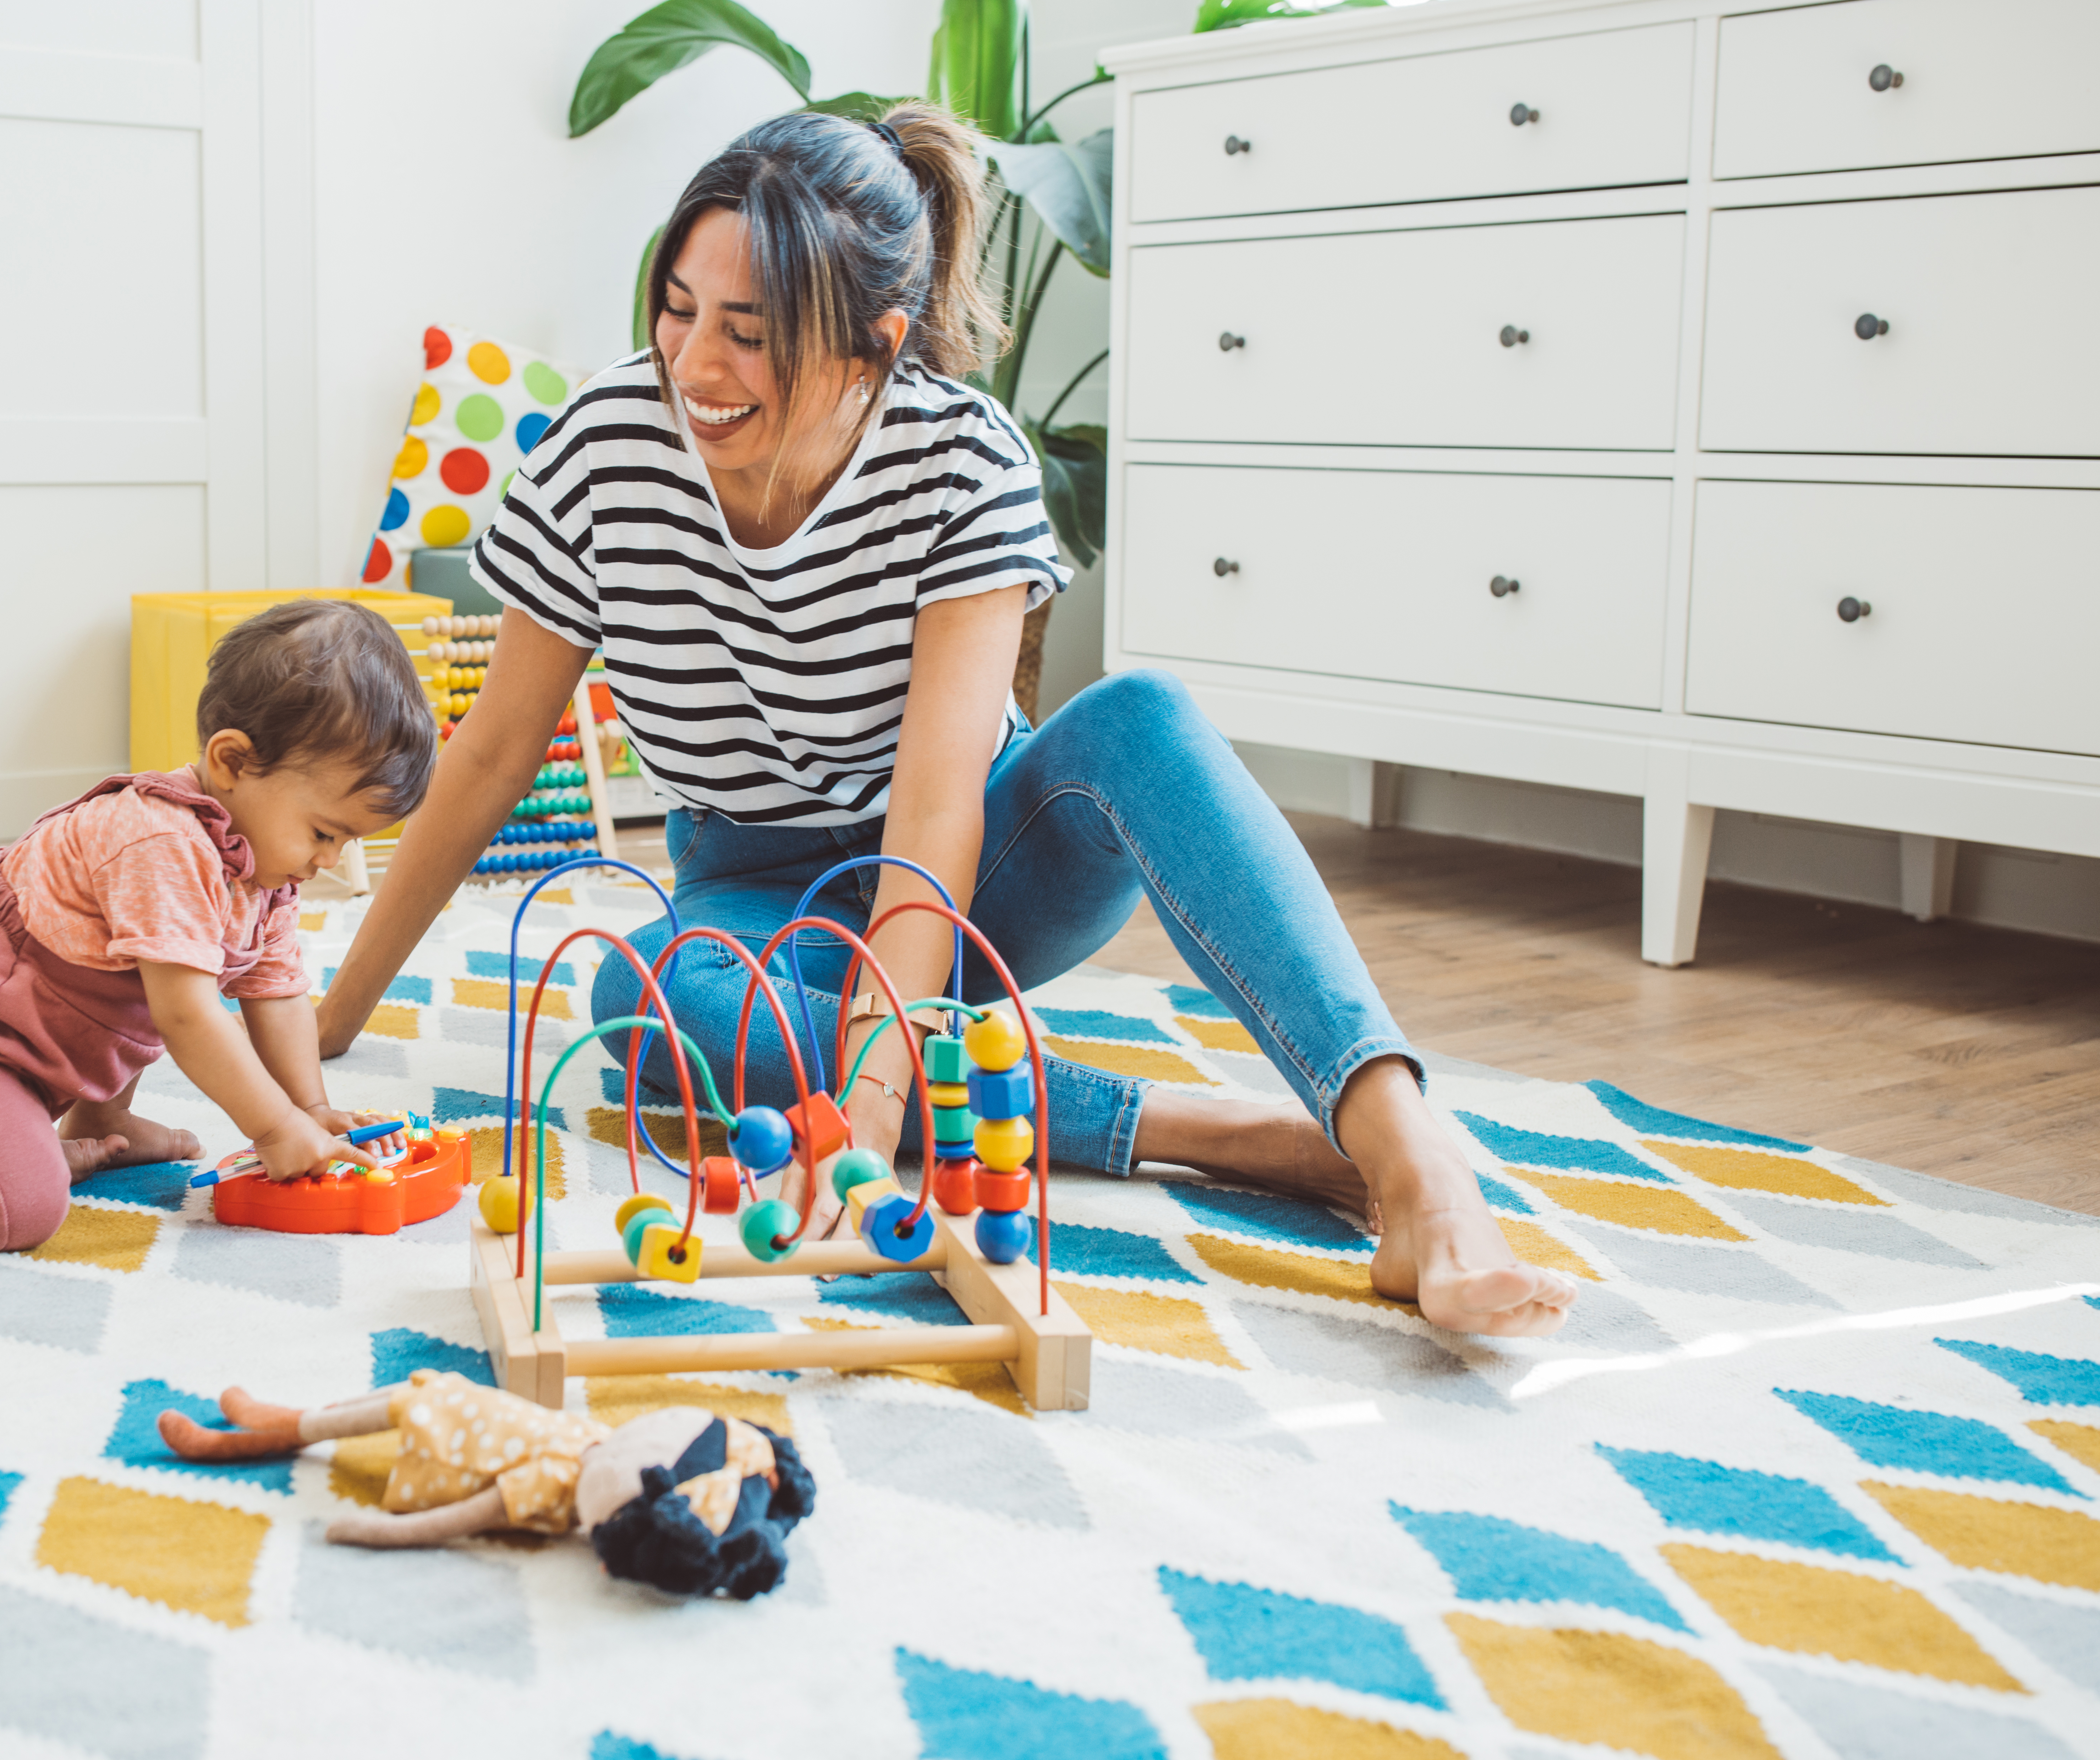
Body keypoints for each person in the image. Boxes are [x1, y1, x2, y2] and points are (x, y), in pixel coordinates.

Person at [317, 105, 1573, 1338]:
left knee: (1143, 716)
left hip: (978, 863)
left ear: (876, 345)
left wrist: (864, 1122)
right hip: (764, 896)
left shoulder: (964, 461)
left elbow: (935, 805)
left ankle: (1414, 1164)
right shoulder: (602, 449)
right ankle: (1213, 1133)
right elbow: (488, 755)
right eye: (679, 310)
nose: (695, 365)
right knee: (652, 998)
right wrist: (332, 1021)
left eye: (748, 335)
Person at [0, 598, 432, 1252]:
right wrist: (275, 1128)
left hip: (66, 1038)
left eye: (348, 843)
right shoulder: (157, 839)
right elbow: (190, 1016)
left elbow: (276, 993)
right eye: (324, 832)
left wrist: (308, 1108)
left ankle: (101, 1120)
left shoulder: (264, 869)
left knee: (143, 980)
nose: (330, 860)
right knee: (18, 1214)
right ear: (233, 762)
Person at [158, 1371, 814, 1599]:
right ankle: (289, 1421)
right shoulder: (595, 1445)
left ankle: (248, 1440)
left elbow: (472, 1514)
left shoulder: (563, 1484)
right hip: (452, 1401)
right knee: (379, 1402)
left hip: (444, 1435)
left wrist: (379, 1533)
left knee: (384, 1411)